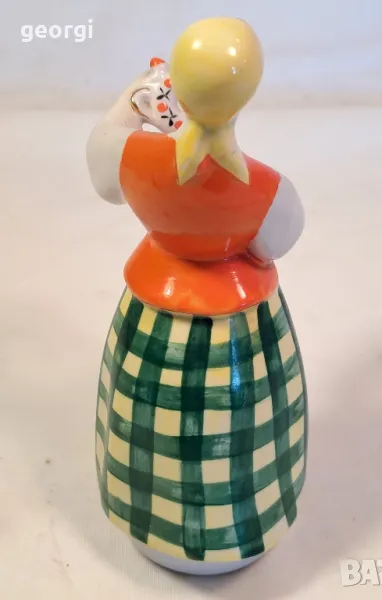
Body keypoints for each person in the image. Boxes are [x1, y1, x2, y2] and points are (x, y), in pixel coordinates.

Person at [87, 17, 308, 575]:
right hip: (242, 331)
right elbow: (276, 241)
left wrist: (133, 101)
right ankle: (243, 527)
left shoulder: (135, 159)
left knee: (144, 431)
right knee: (245, 439)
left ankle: (148, 521)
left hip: (151, 320)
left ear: (175, 86)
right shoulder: (269, 191)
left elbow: (103, 170)